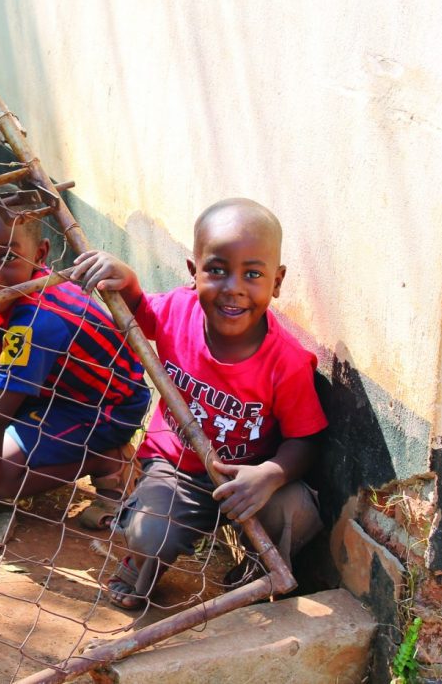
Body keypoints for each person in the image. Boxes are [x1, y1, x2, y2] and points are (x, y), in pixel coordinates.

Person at [71, 198, 328, 609]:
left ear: (277, 282)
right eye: (217, 270)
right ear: (194, 272)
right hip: (177, 470)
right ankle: (141, 564)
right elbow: (142, 314)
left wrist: (268, 475)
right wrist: (128, 279)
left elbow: (306, 439)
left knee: (295, 510)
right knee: (147, 533)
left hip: (246, 479)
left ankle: (258, 570)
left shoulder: (288, 363)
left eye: (253, 274)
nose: (234, 287)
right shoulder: (178, 310)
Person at [0, 195, 151, 557]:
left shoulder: (39, 321)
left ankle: (109, 459)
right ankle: (34, 434)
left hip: (99, 406)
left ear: (40, 255)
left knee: (2, 479)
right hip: (50, 382)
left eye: (7, 257)